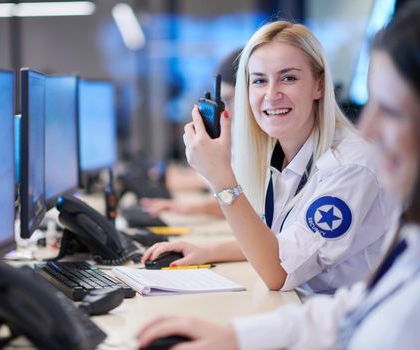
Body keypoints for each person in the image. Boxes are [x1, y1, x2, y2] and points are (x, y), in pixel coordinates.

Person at [137, 3, 420, 348]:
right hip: (318, 315)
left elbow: (280, 271)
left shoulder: (350, 166)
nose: (271, 95)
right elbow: (287, 245)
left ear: (318, 86)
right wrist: (209, 251)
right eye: (259, 81)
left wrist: (221, 179)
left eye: (288, 77)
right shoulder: (286, 154)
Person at [141, 49, 242, 219]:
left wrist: (192, 207)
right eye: (223, 102)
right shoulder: (241, 141)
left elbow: (249, 204)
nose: (227, 112)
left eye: (230, 100)